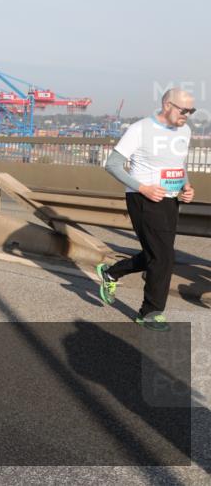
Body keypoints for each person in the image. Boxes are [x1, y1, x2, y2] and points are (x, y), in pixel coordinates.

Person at [97, 89, 196, 331]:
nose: (188, 115)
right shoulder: (140, 129)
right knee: (164, 257)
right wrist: (143, 188)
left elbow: (178, 164)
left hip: (171, 200)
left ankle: (111, 272)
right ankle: (150, 313)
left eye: (191, 111)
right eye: (184, 110)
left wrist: (186, 185)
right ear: (167, 105)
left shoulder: (185, 131)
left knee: (156, 254)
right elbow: (113, 165)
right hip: (143, 199)